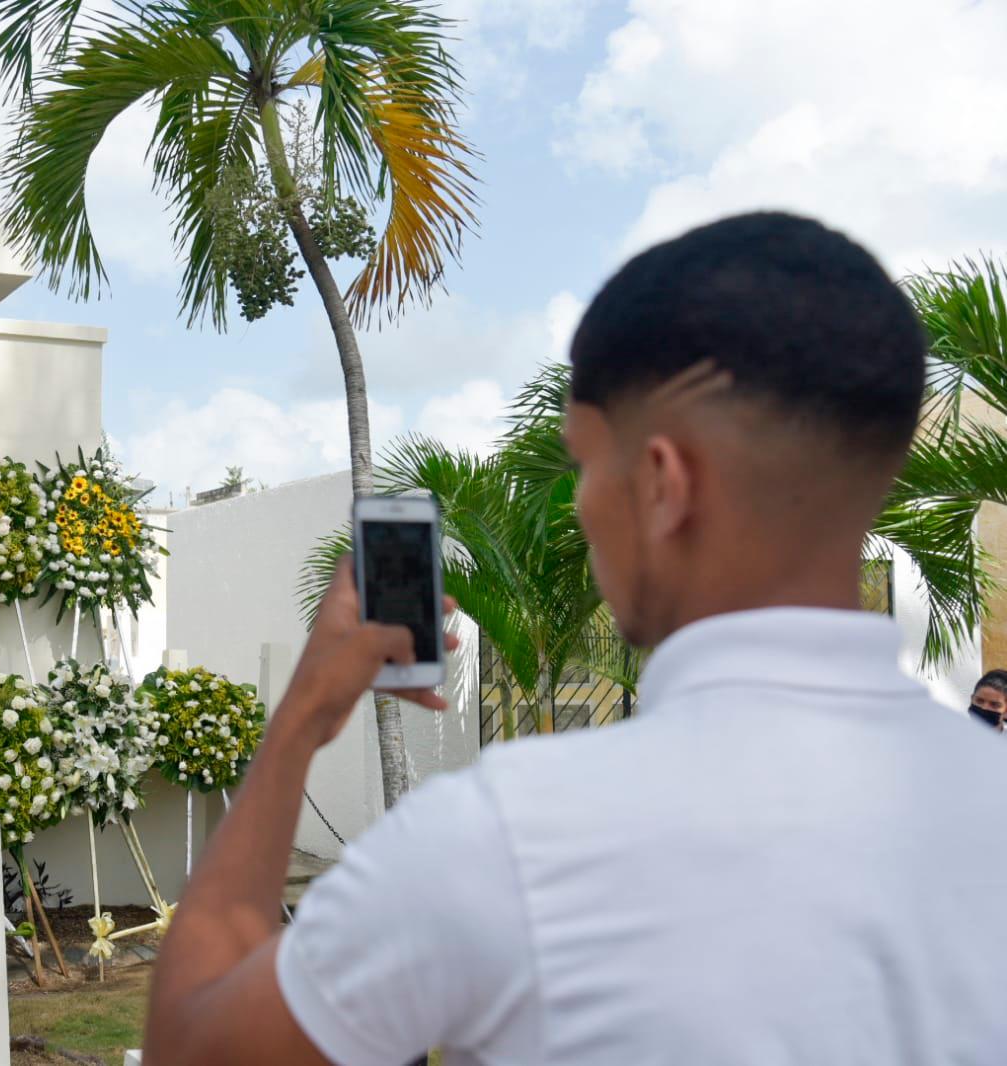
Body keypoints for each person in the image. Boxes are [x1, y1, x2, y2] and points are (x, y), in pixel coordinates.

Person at [143, 212, 1007, 1065]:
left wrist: (300, 720)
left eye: (586, 463)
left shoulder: (506, 841)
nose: (583, 506)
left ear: (663, 484)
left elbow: (191, 1043)